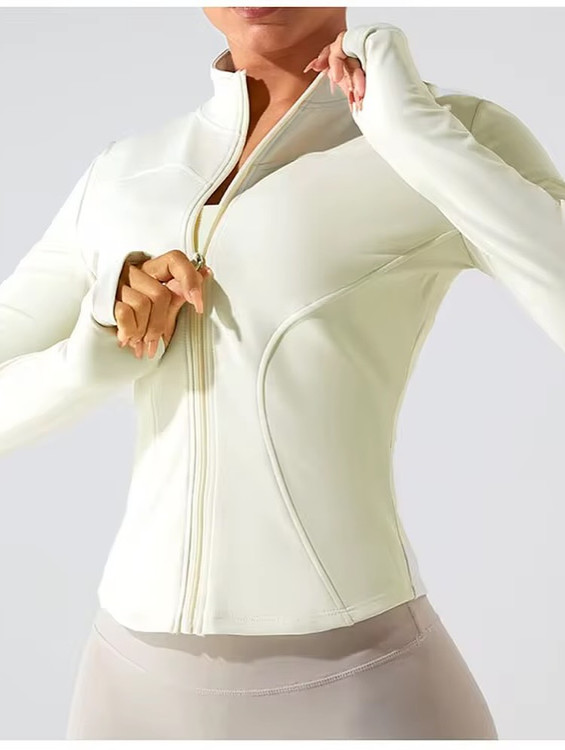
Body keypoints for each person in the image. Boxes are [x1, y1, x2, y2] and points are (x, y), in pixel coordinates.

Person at [4, 5, 565, 740]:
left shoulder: (449, 132)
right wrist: (89, 352)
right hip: (129, 688)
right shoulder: (122, 173)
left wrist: (417, 136)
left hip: (365, 682)